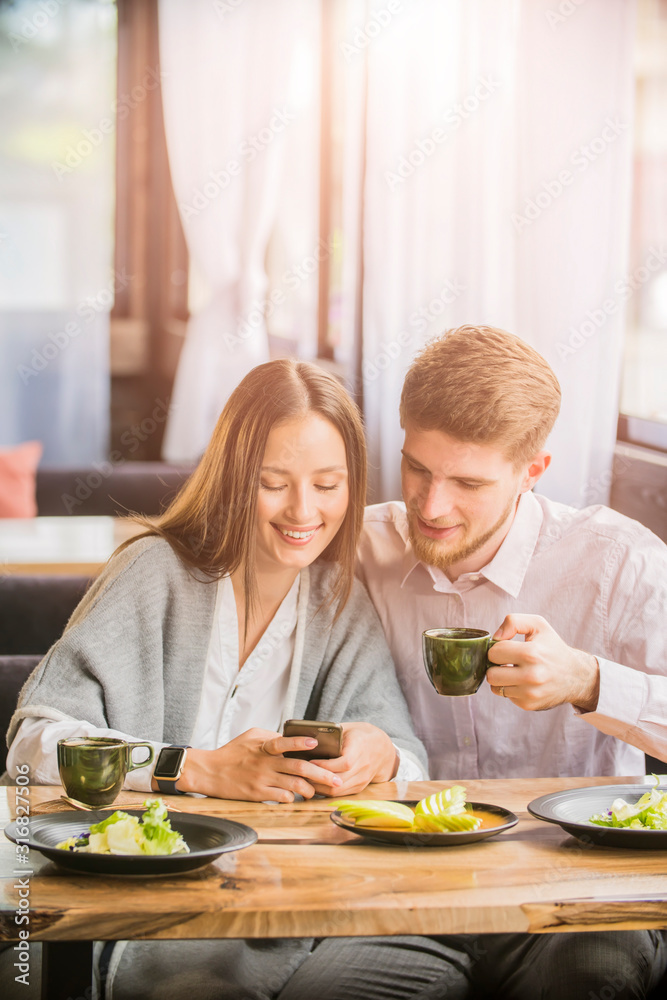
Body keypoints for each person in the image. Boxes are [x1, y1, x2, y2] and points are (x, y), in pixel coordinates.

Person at [4, 358, 427, 1000]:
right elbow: (31, 747)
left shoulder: (338, 600)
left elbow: (412, 759)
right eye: (273, 482)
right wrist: (191, 769)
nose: (303, 511)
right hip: (147, 911)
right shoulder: (155, 573)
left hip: (290, 905)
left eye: (328, 484)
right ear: (234, 476)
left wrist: (382, 753)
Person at [278, 326, 667, 1000]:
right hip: (399, 893)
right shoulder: (354, 548)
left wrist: (588, 681)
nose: (430, 507)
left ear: (531, 471)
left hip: (574, 896)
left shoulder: (617, 562)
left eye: (467, 482)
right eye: (417, 469)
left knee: (592, 984)